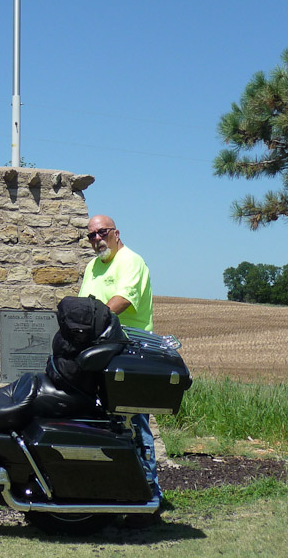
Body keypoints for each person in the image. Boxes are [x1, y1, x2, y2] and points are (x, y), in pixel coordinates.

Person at [78, 213, 162, 505]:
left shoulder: (130, 261)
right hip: (101, 352)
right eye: (91, 235)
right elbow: (83, 304)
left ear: (116, 232)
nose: (97, 239)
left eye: (102, 232)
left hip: (130, 353)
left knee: (134, 422)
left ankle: (149, 493)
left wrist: (91, 322)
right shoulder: (92, 266)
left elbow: (122, 300)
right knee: (106, 423)